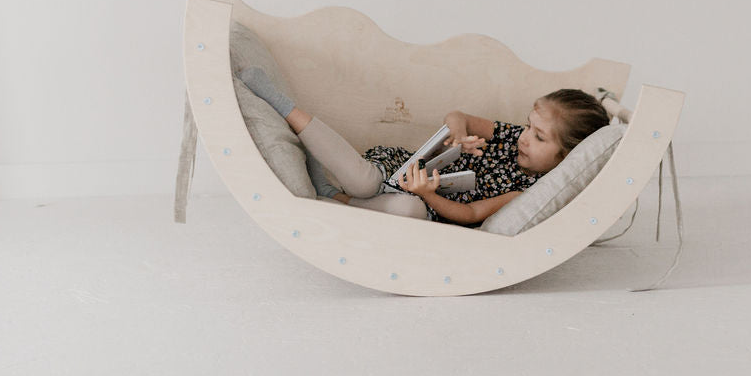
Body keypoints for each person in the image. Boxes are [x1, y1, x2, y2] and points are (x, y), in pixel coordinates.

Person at [237, 66, 610, 227]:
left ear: (567, 158)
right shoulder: (512, 136)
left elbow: (470, 215)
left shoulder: (526, 192)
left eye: (540, 137)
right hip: (406, 168)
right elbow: (456, 114)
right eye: (530, 125)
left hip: (425, 203)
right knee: (366, 182)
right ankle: (282, 105)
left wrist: (428, 196)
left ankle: (333, 197)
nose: (525, 137)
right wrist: (460, 134)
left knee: (408, 210)